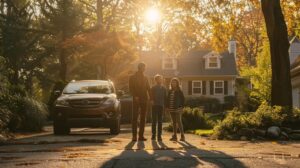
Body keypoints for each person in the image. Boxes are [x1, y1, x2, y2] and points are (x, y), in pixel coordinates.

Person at [129, 62, 151, 141]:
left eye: (145, 68)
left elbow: (148, 88)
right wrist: (135, 96)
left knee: (143, 118)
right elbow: (131, 89)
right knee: (134, 118)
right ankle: (134, 136)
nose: (144, 69)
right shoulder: (132, 77)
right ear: (140, 68)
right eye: (143, 67)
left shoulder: (145, 78)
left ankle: (141, 136)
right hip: (136, 99)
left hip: (144, 99)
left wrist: (151, 98)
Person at [150, 74, 167, 141]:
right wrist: (151, 100)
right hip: (154, 106)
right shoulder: (153, 88)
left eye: (161, 79)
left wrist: (166, 106)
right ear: (156, 80)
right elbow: (151, 96)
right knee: (154, 121)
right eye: (159, 79)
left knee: (160, 121)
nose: (160, 80)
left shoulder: (164, 88)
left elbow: (165, 98)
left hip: (161, 106)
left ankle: (159, 136)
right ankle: (153, 135)